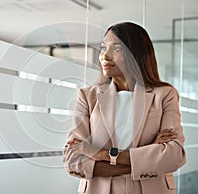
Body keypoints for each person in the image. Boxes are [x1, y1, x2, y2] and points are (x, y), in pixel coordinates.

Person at [63, 22, 186, 194]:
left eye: (116, 48)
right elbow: (73, 160)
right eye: (103, 48)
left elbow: (174, 156)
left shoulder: (165, 95)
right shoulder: (87, 96)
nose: (104, 56)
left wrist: (102, 155)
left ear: (136, 54)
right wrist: (147, 156)